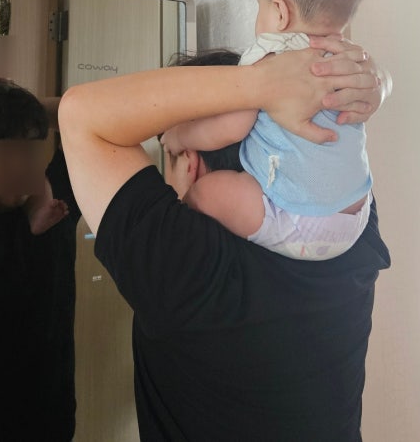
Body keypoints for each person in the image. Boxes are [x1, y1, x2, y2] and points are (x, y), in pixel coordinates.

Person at [58, 35, 391, 440]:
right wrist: (365, 81)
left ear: (189, 161)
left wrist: (261, 85)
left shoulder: (187, 269)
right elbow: (330, 162)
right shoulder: (349, 229)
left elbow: (80, 115)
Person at [161, 0, 380, 262]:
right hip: (356, 213)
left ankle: (186, 219)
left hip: (298, 220)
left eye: (258, 4)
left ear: (280, 11)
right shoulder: (350, 60)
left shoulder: (269, 59)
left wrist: (179, 136)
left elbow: (230, 128)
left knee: (208, 192)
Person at [0, 78, 80, 441]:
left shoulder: (57, 209)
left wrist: (30, 110)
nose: (31, 163)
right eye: (17, 148)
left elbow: (84, 114)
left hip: (53, 420)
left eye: (34, 148)